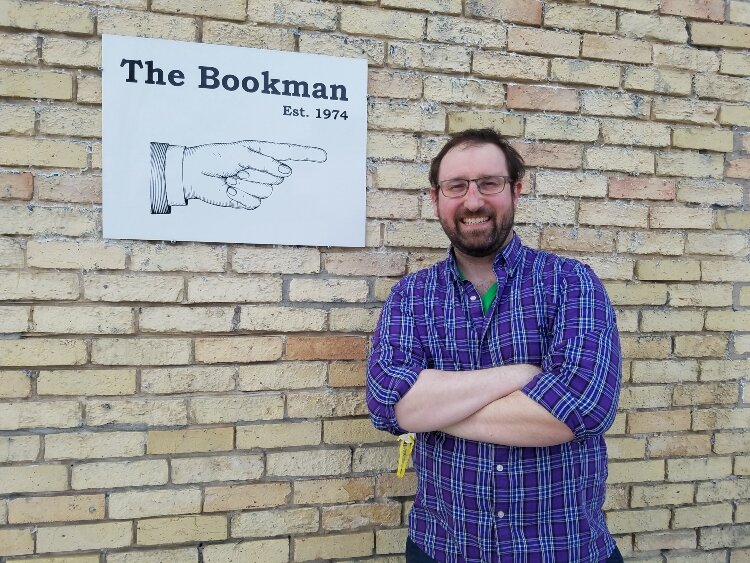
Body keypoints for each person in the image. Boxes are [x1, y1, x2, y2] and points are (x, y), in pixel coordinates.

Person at [366, 129, 623, 562]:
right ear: (436, 199)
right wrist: (519, 376)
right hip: (442, 548)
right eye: (457, 186)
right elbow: (388, 405)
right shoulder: (411, 297)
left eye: (489, 183)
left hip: (562, 550)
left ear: (515, 190)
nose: (473, 201)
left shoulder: (571, 283)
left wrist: (433, 409)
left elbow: (580, 410)